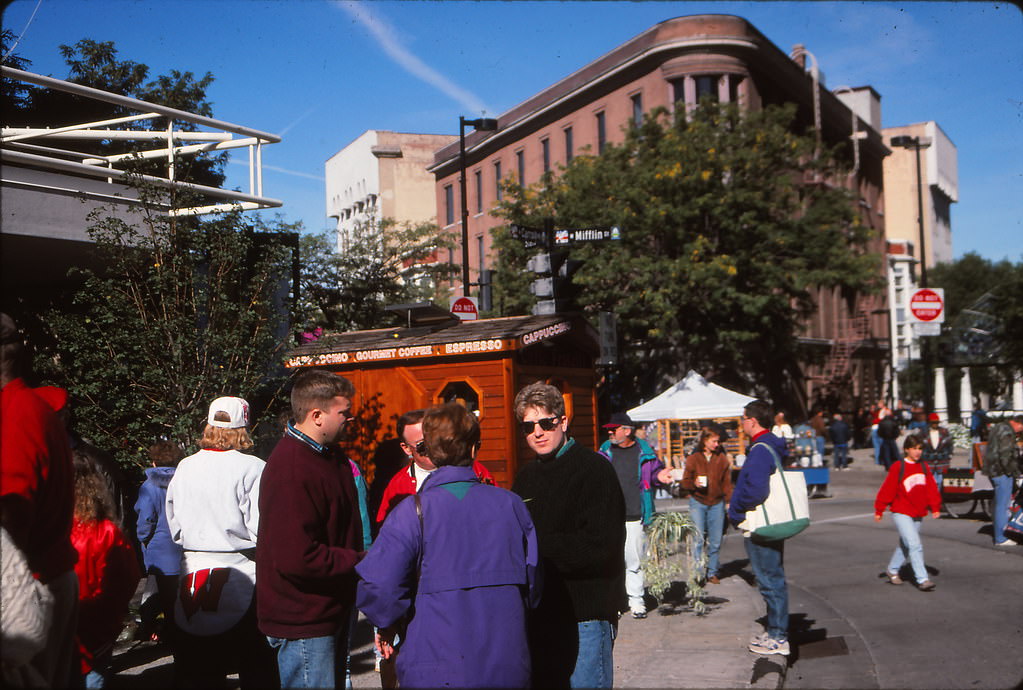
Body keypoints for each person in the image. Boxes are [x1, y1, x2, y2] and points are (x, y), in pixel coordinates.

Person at [357, 403, 540, 688]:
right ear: (474, 448)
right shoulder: (511, 506)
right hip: (506, 663)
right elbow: (534, 585)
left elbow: (378, 589)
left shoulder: (410, 513)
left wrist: (388, 623)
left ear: (428, 449)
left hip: (435, 666)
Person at [511, 382, 625, 688]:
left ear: (563, 421)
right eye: (528, 426)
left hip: (584, 615)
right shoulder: (525, 478)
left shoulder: (594, 470)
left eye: (546, 423)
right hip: (540, 616)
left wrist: (534, 549)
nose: (537, 432)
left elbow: (601, 547)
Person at [256, 370, 365, 689]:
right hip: (304, 619)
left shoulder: (329, 458)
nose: (351, 418)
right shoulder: (292, 467)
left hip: (327, 610)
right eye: (344, 412)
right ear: (317, 415)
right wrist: (360, 561)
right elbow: (296, 557)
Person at [166, 396, 277, 688]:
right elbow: (260, 527)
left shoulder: (186, 466)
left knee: (198, 668)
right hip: (241, 571)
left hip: (192, 571)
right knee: (255, 666)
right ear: (246, 426)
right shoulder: (253, 467)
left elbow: (174, 524)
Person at [0, 313, 79, 688]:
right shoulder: (25, 409)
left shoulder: (15, 414)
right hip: (38, 582)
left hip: (26, 592)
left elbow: (13, 513)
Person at [70, 452, 142, 688]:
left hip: (55, 626)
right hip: (98, 626)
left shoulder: (45, 528)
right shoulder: (107, 531)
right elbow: (129, 577)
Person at [728, 400, 791, 657]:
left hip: (760, 523)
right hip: (770, 522)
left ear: (752, 421)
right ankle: (775, 629)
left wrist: (737, 507)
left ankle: (778, 636)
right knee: (771, 576)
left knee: (769, 578)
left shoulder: (760, 449)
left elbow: (756, 489)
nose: (741, 423)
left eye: (743, 419)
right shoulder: (768, 445)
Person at [375, 409, 494, 525]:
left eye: (435, 441)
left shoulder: (476, 471)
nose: (432, 448)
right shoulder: (398, 486)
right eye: (422, 445)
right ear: (406, 448)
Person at [598, 412, 663, 619]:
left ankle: (636, 601)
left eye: (614, 429)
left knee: (634, 561)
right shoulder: (605, 451)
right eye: (609, 429)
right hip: (610, 515)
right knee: (612, 561)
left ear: (627, 431)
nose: (610, 432)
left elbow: (655, 473)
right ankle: (616, 602)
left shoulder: (644, 451)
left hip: (635, 513)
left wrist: (661, 476)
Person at [874, 435, 942, 590]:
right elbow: (887, 489)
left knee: (906, 544)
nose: (917, 452)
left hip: (918, 511)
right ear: (906, 449)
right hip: (901, 510)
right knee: (915, 544)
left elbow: (931, 488)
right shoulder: (899, 467)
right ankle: (922, 579)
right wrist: (880, 508)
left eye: (920, 448)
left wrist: (935, 506)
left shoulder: (924, 467)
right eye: (914, 448)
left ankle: (892, 570)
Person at [134, 440, 184, 644]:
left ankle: (151, 631)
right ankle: (177, 632)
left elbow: (146, 519)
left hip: (158, 549)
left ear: (153, 462)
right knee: (179, 598)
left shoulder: (148, 486)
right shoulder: (184, 481)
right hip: (182, 547)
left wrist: (142, 538)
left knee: (158, 594)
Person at [681, 427, 733, 584]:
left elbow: (727, 483)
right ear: (705, 441)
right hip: (698, 501)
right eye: (714, 441)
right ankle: (698, 573)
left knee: (716, 540)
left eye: (718, 441)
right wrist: (694, 483)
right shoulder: (694, 458)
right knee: (698, 539)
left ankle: (712, 572)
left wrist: (729, 502)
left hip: (717, 502)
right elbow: (685, 481)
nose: (717, 444)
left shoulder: (722, 459)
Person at [984, 414, 1023, 547]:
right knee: (1003, 504)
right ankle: (1000, 538)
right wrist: (1014, 473)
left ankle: (999, 532)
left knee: (998, 504)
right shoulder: (1008, 432)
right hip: (1001, 472)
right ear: (1018, 424)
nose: (1020, 432)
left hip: (993, 470)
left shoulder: (999, 426)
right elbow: (1005, 456)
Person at [918, 413, 953, 496]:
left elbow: (950, 445)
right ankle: (930, 499)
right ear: (929, 423)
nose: (935, 424)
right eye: (933, 422)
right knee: (929, 482)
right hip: (928, 461)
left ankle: (939, 500)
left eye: (937, 422)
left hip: (942, 460)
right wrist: (922, 456)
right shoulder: (923, 433)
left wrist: (949, 455)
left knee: (941, 482)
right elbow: (919, 446)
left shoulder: (944, 432)